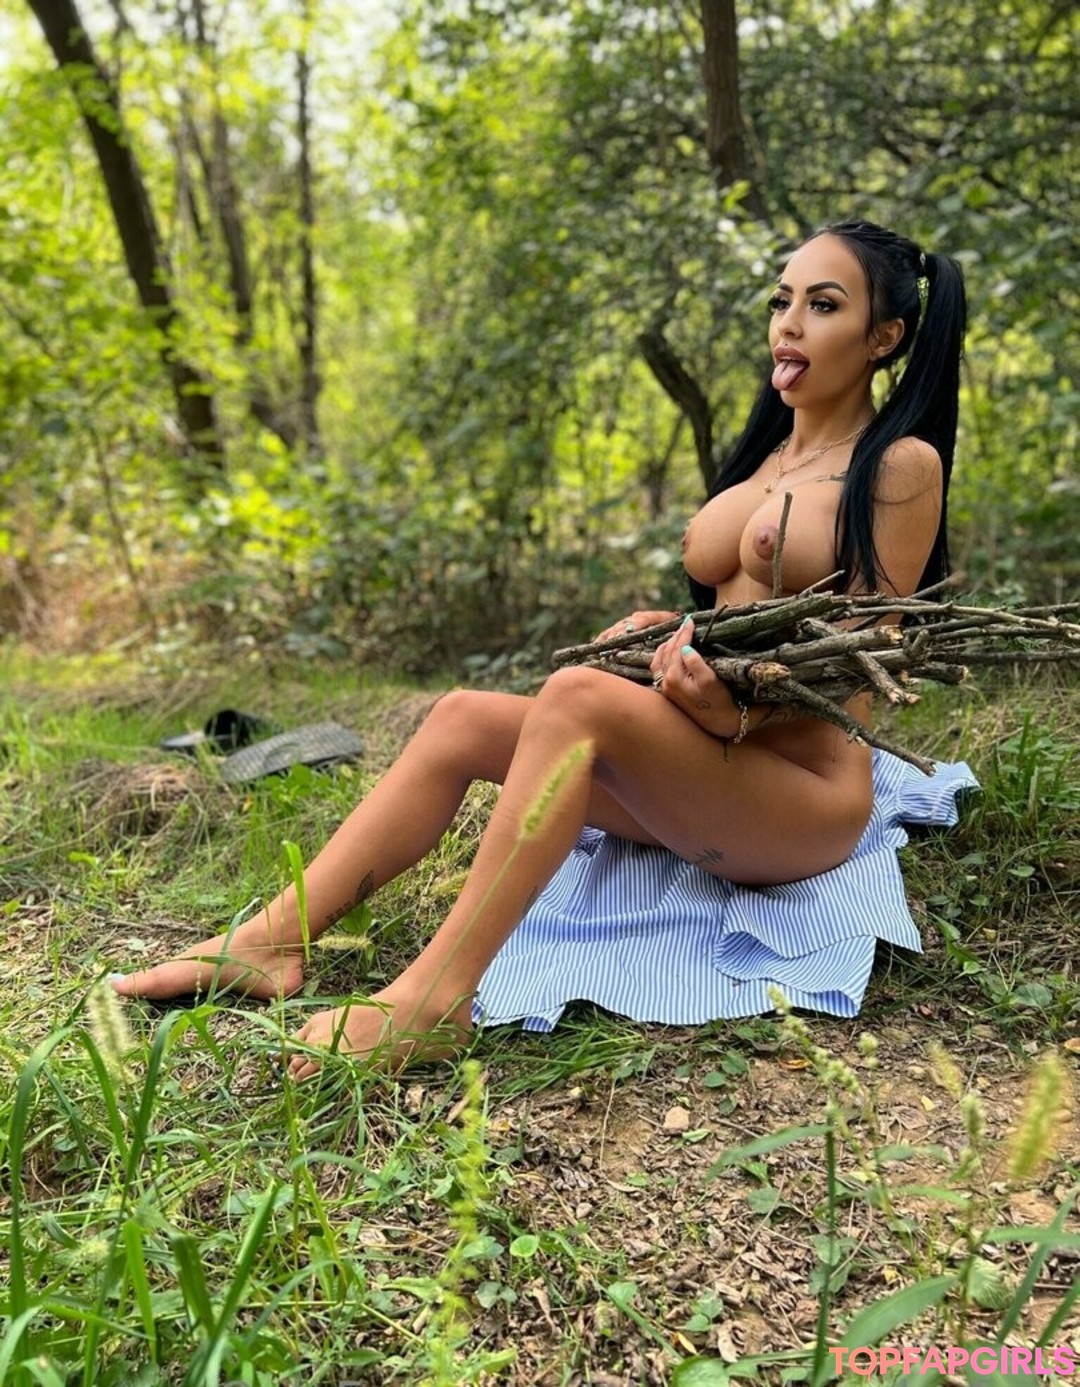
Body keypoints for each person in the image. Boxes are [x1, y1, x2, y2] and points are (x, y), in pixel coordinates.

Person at [112, 220, 968, 1080]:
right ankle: (271, 940)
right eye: (782, 301)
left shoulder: (899, 465)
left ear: (884, 336)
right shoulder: (771, 454)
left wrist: (733, 711)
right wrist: (663, 632)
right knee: (460, 717)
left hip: (801, 798)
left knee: (573, 699)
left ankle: (434, 1000)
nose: (789, 323)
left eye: (824, 305)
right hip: (710, 765)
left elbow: (862, 656)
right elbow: (731, 613)